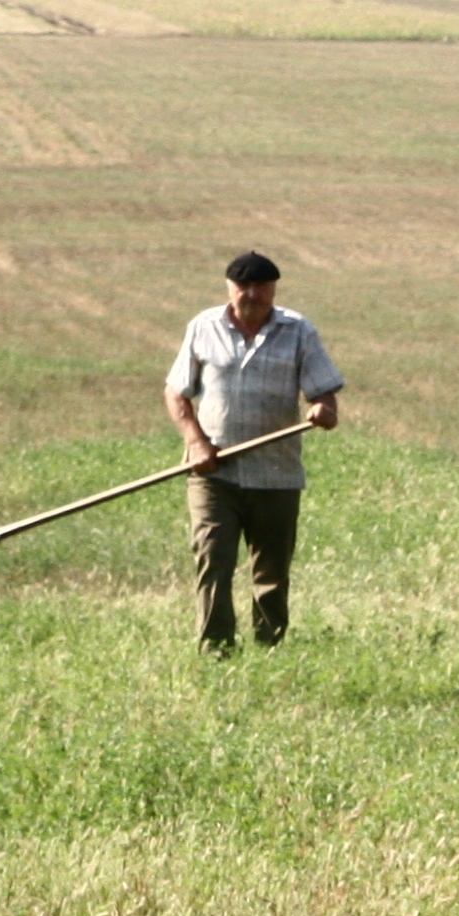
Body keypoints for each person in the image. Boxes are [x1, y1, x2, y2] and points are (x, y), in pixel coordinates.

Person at [163, 251, 342, 649]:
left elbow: (324, 391)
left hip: (275, 475)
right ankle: (215, 649)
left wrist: (324, 408)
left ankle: (269, 647)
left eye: (262, 286)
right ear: (229, 287)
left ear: (273, 288)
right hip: (213, 475)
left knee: (272, 573)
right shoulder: (203, 327)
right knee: (214, 561)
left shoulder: (298, 331)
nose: (253, 293)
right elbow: (176, 392)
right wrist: (196, 442)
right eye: (244, 286)